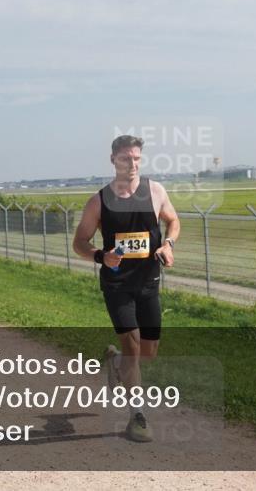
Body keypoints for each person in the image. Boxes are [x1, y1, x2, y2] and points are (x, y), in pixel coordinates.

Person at [72, 134, 179, 442]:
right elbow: (79, 242)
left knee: (148, 353)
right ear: (113, 160)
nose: (131, 164)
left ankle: (115, 362)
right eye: (125, 158)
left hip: (148, 282)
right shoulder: (99, 201)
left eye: (136, 159)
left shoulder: (155, 191)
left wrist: (168, 245)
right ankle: (138, 415)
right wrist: (100, 256)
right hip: (117, 284)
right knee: (133, 348)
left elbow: (173, 221)